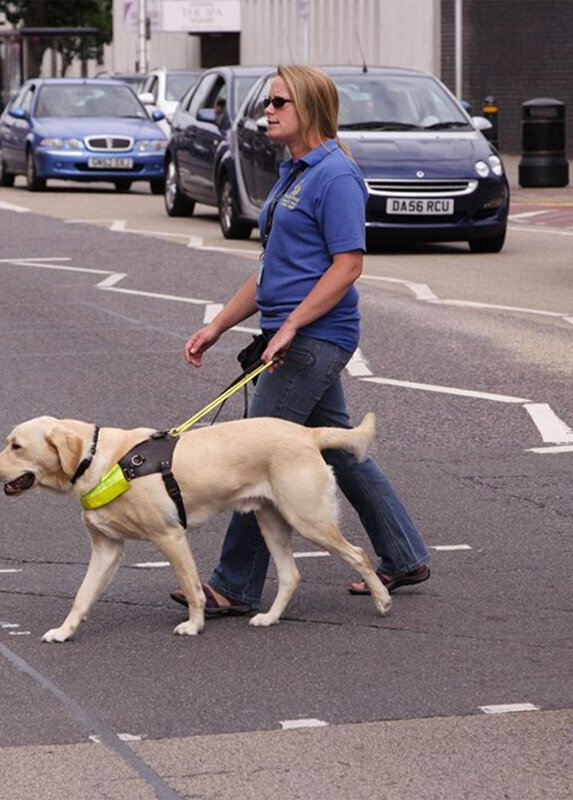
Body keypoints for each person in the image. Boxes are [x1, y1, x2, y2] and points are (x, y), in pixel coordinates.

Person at [171, 65, 431, 617]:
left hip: (313, 338)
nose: (268, 110)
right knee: (337, 446)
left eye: (279, 102)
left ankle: (233, 584)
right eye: (268, 102)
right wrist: (218, 325)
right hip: (288, 334)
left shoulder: (335, 176)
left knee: (254, 455)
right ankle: (403, 554)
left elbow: (347, 267)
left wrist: (289, 326)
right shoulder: (295, 170)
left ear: (309, 109)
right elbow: (272, 271)